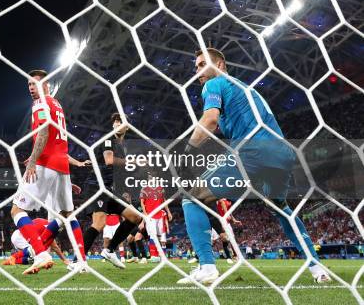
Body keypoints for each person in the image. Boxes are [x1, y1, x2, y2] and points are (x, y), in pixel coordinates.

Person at [177, 48, 331, 284]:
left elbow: (209, 120)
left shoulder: (215, 83)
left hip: (253, 151)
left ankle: (207, 266)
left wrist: (186, 152)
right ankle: (317, 268)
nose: (197, 71)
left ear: (219, 65)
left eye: (200, 65)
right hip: (282, 154)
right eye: (195, 66)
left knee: (191, 196)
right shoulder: (246, 89)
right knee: (280, 208)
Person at [11, 69, 90, 275]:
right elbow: (58, 138)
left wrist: (33, 163)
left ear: (45, 84)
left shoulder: (40, 103)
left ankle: (40, 253)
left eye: (34, 84)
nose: (30, 88)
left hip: (45, 164)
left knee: (17, 210)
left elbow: (44, 131)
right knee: (67, 214)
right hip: (60, 165)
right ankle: (82, 261)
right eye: (28, 84)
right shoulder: (57, 104)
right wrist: (62, 178)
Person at [81, 113, 142, 269]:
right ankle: (78, 260)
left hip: (111, 190)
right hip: (97, 186)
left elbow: (119, 172)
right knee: (99, 223)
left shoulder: (122, 147)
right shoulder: (108, 140)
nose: (117, 123)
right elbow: (109, 161)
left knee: (135, 217)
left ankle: (109, 250)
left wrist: (125, 191)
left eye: (121, 121)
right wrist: (134, 161)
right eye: (115, 121)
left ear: (127, 126)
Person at [2, 217, 69, 266]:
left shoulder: (43, 220)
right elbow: (55, 247)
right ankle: (13, 258)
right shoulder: (51, 229)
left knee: (38, 254)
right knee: (36, 253)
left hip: (17, 234)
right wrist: (65, 260)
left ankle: (10, 261)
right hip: (21, 237)